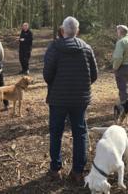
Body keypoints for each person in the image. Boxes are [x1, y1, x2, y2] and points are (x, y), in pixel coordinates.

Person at [43, 16, 98, 183]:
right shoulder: (86, 48)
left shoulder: (54, 48)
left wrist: (58, 86)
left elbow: (47, 75)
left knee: (56, 132)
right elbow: (94, 75)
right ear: (77, 31)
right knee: (80, 132)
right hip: (79, 100)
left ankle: (55, 169)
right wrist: (80, 87)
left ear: (62, 30)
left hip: (58, 99)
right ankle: (78, 172)